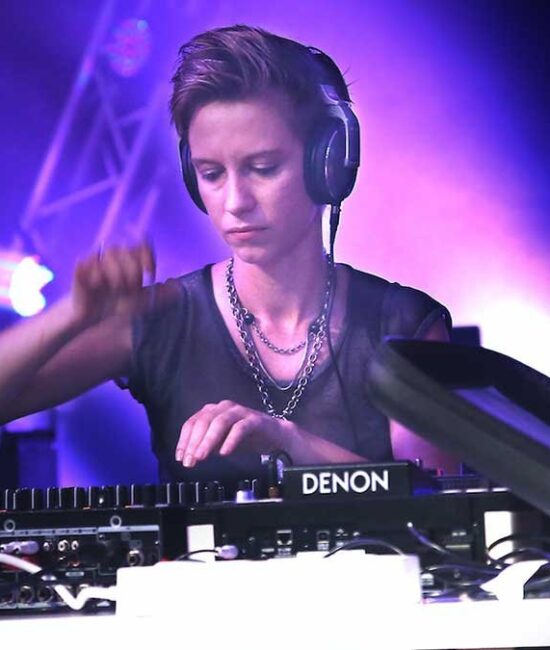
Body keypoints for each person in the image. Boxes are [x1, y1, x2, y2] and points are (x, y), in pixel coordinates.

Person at [0, 25, 455, 486]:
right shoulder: (163, 318)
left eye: (263, 168)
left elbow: (437, 503)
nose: (235, 201)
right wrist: (70, 316)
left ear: (328, 163)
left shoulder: (403, 324)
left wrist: (289, 441)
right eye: (212, 174)